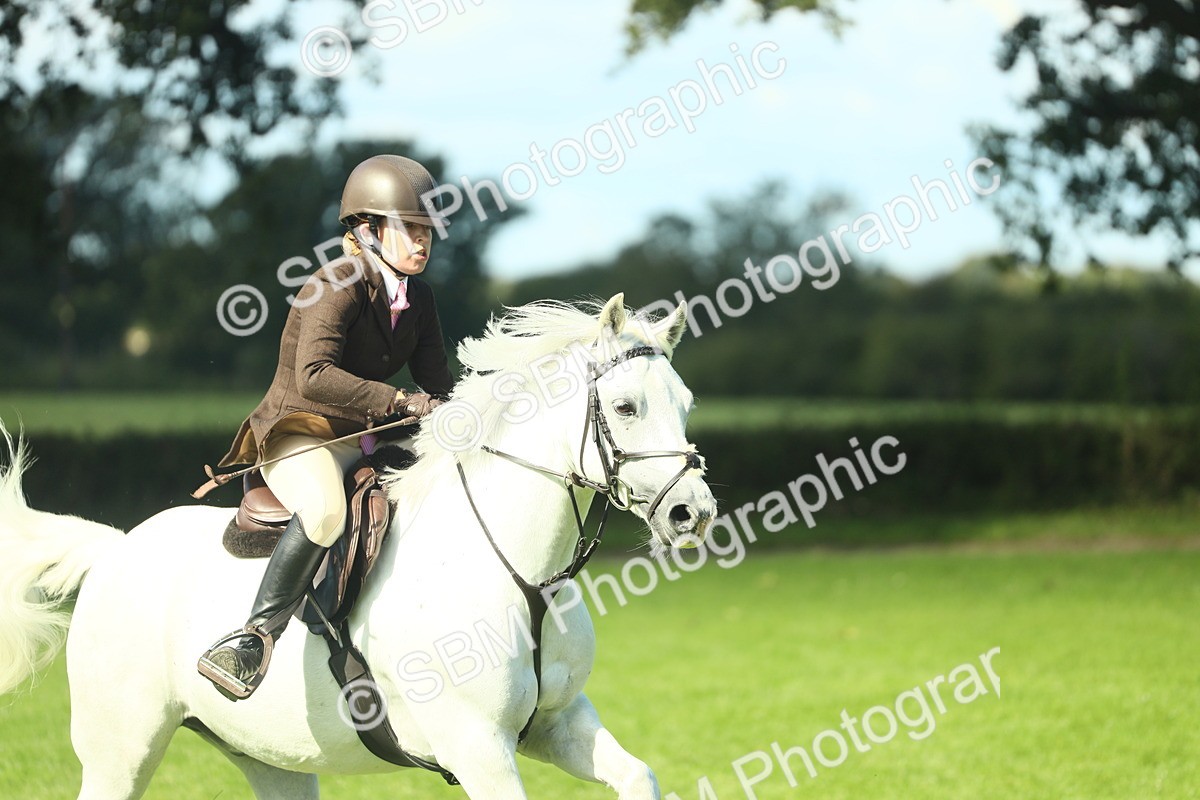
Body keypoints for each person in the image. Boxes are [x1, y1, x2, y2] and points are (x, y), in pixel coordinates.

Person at [197, 154, 455, 700]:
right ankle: (253, 638)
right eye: (409, 229)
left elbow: (438, 385)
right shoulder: (332, 282)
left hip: (361, 435)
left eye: (427, 231)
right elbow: (313, 376)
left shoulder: (421, 300)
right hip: (298, 433)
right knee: (326, 509)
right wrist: (398, 399)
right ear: (368, 230)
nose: (422, 243)